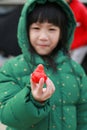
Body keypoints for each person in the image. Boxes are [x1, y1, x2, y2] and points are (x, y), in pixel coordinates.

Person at [0, 0, 87, 130]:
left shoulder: (76, 71)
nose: (43, 37)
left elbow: (83, 118)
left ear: (62, 32)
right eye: (36, 28)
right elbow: (7, 116)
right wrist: (33, 100)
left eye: (52, 29)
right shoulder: (11, 69)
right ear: (25, 30)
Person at [66, 0, 87, 65]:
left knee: (74, 64)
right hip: (68, 45)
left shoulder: (80, 7)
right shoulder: (61, 6)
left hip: (80, 45)